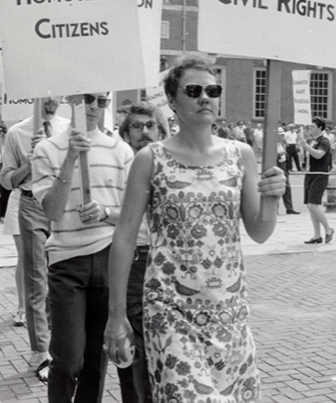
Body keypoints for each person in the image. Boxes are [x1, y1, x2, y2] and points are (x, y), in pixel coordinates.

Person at [104, 56, 285, 403]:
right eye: (194, 90)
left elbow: (259, 231)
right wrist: (116, 315)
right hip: (170, 309)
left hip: (228, 311)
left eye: (212, 90)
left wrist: (272, 199)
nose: (205, 97)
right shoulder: (151, 159)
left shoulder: (240, 154)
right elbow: (125, 236)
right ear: (172, 101)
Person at [31, 93, 133, 402]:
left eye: (102, 101)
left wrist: (105, 212)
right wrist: (70, 160)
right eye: (87, 99)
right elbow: (50, 210)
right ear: (71, 99)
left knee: (95, 362)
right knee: (67, 360)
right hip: (67, 261)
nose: (93, 107)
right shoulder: (47, 148)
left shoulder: (121, 149)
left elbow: (133, 215)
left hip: (109, 259)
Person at [0, 97, 70, 382]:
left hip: (64, 206)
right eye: (46, 96)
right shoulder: (18, 132)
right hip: (31, 205)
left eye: (57, 97)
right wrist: (28, 164)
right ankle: (42, 351)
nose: (52, 102)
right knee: (36, 279)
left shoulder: (68, 128)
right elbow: (6, 181)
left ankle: (64, 342)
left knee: (64, 277)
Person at [117, 102, 166, 403]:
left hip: (164, 265)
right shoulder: (120, 165)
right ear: (126, 133)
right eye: (137, 126)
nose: (144, 132)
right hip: (134, 263)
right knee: (134, 352)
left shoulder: (172, 168)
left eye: (150, 125)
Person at [298, 117, 334, 244]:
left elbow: (319, 154)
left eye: (312, 126)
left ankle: (328, 229)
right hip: (310, 173)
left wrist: (306, 146)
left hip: (320, 174)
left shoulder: (324, 141)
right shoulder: (313, 141)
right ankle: (317, 235)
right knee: (311, 206)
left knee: (312, 204)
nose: (310, 129)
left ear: (320, 127)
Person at [2, 189, 25, 326]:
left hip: (46, 198)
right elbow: (6, 181)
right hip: (21, 198)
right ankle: (22, 308)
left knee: (48, 256)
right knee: (24, 255)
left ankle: (47, 306)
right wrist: (27, 167)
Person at [277, 128, 300, 214]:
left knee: (287, 189)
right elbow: (270, 156)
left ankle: (289, 208)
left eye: (283, 135)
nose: (283, 137)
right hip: (277, 168)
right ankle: (275, 209)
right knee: (277, 189)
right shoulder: (272, 145)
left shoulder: (283, 144)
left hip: (284, 168)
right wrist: (279, 155)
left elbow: (287, 156)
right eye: (281, 135)